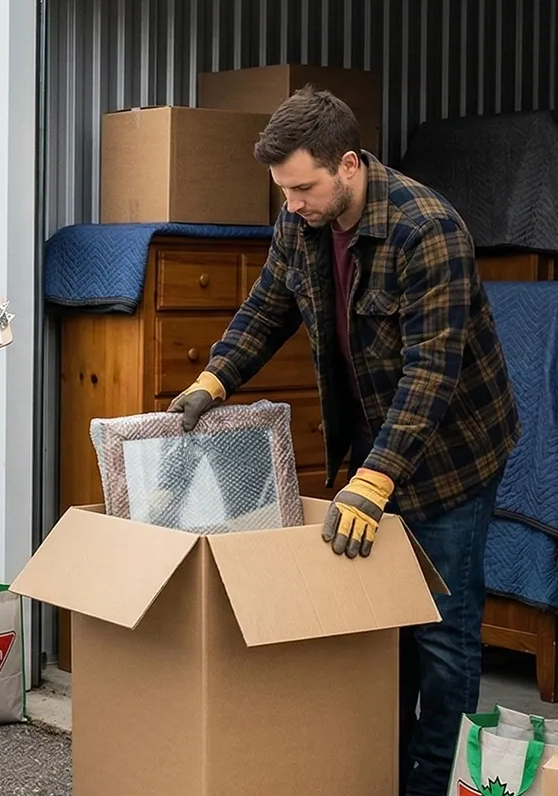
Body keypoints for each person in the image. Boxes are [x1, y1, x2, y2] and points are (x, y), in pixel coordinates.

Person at [169, 86, 519, 796]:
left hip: (451, 460)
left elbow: (431, 373)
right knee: (384, 633)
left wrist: (374, 480)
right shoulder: (301, 223)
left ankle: (431, 785)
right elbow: (268, 306)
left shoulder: (429, 230)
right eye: (284, 191)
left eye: (302, 187)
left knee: (443, 639)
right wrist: (213, 379)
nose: (291, 204)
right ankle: (377, 774)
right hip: (373, 454)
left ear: (349, 164)